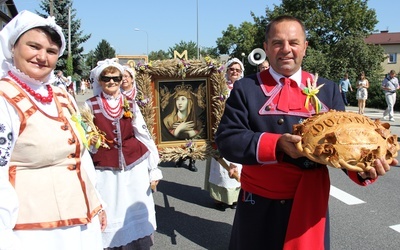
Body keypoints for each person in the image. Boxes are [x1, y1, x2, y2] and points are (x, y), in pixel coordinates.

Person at [215, 15, 395, 250]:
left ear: (305, 47)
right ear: (267, 47)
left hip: (310, 202)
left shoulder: (328, 90)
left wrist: (366, 167)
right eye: (278, 43)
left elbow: (344, 147)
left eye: (294, 42)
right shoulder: (246, 88)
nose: (286, 49)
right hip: (259, 202)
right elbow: (227, 140)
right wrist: (277, 144)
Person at [0, 10, 106, 249]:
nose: (42, 56)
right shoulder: (4, 99)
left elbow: (80, 155)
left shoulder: (61, 95)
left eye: (51, 51)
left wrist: (97, 202)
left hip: (81, 222)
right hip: (34, 232)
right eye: (33, 46)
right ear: (13, 47)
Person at [85, 58, 163, 249]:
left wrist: (154, 168)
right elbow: (85, 139)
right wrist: (92, 141)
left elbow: (142, 133)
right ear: (99, 81)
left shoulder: (130, 103)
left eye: (116, 78)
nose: (111, 82)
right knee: (112, 209)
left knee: (135, 206)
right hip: (106, 169)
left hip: (134, 164)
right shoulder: (90, 105)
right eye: (106, 78)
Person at [205, 58, 243, 211]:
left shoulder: (243, 88)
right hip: (221, 129)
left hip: (238, 129)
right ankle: (219, 199)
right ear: (227, 71)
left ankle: (233, 199)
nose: (234, 72)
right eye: (231, 69)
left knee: (237, 163)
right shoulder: (221, 88)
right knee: (220, 165)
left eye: (237, 70)